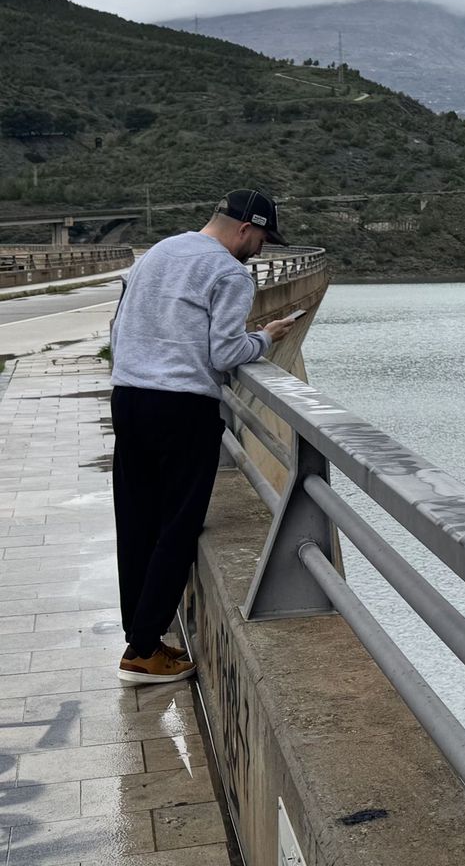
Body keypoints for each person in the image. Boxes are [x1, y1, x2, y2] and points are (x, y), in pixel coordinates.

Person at [108, 189, 300, 684]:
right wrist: (267, 337)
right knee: (178, 525)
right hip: (182, 408)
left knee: (136, 521)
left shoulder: (158, 253)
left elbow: (118, 326)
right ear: (245, 228)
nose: (260, 250)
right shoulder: (229, 272)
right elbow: (225, 353)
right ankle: (142, 652)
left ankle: (141, 639)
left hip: (128, 397)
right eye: (262, 239)